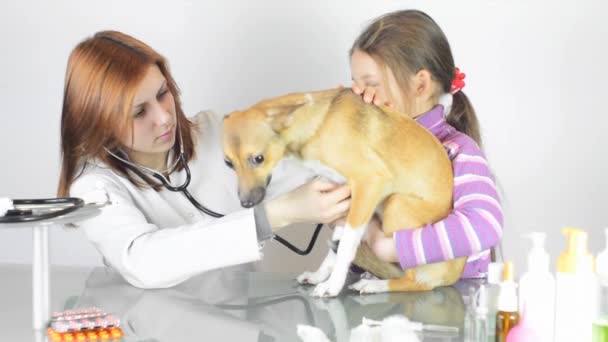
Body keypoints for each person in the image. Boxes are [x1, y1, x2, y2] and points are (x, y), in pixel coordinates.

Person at [57, 31, 351, 289]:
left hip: (244, 324)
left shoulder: (216, 133)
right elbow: (142, 262)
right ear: (99, 123)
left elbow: (305, 158)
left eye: (163, 93)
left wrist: (345, 112)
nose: (163, 117)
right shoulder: (94, 188)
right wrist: (272, 216)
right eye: (138, 112)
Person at [349, 10, 503, 278]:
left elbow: (484, 224)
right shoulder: (372, 152)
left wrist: (389, 248)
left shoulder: (456, 151)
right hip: (381, 308)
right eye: (355, 84)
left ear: (420, 85)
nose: (360, 94)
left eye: (372, 84)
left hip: (450, 305)